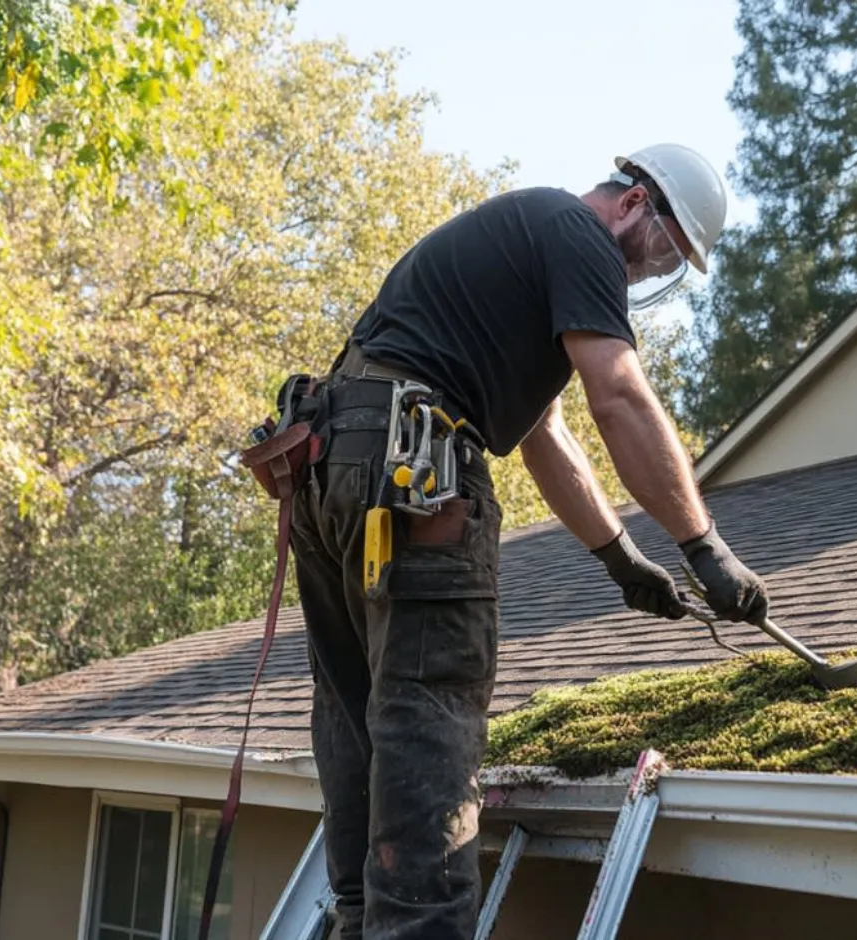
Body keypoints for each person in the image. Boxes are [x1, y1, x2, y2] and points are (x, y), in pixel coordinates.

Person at [288, 143, 770, 940]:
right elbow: (617, 395)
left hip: (334, 465)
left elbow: (547, 433)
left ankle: (355, 918)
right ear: (632, 204)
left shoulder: (517, 243)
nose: (648, 275)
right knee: (426, 713)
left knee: (354, 710)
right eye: (660, 252)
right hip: (413, 474)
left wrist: (621, 558)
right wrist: (704, 546)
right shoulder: (578, 234)